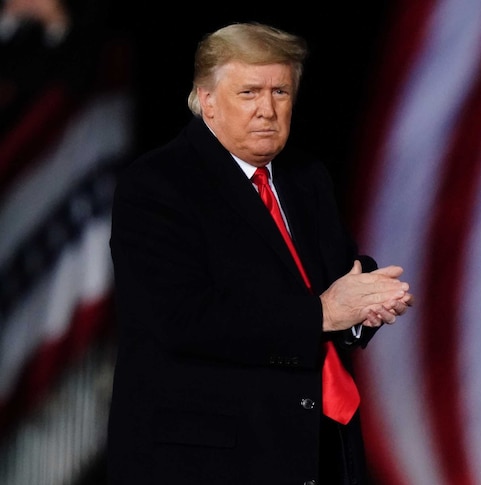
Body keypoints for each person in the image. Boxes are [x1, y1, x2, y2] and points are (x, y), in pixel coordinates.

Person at [106, 22, 413, 485]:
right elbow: (182, 319)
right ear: (206, 99)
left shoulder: (306, 178)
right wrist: (323, 314)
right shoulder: (156, 186)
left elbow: (333, 279)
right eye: (249, 92)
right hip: (211, 461)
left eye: (281, 93)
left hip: (318, 446)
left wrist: (364, 303)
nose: (267, 110)